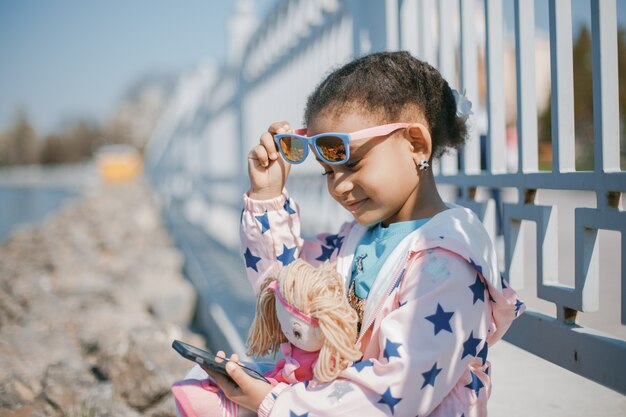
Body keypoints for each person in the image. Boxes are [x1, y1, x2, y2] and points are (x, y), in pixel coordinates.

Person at [207, 51, 525, 417]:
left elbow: (396, 389)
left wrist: (273, 402)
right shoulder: (352, 241)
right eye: (328, 171)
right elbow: (283, 291)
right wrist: (268, 197)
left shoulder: (449, 264)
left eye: (352, 163)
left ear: (416, 145)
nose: (339, 186)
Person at [172, 260, 361, 417]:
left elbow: (317, 397)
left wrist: (267, 397)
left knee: (210, 395)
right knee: (207, 374)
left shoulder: (326, 365)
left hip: (289, 397)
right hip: (277, 384)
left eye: (296, 332)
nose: (287, 335)